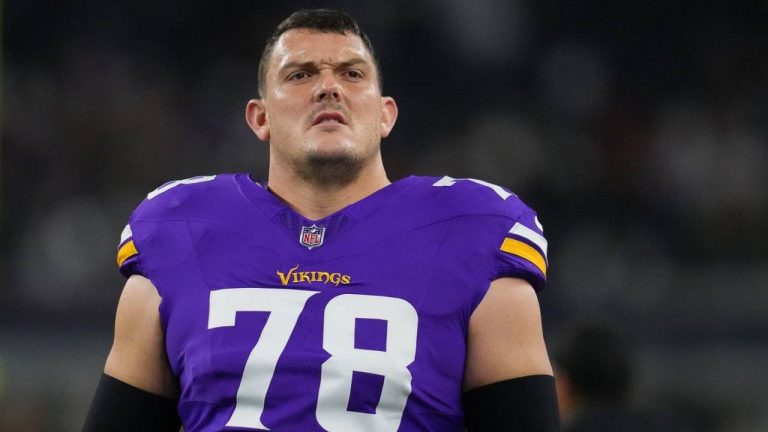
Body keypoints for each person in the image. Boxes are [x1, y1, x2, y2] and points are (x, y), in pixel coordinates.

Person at [83, 9, 559, 432]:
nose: (329, 87)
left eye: (352, 73)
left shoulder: (472, 228)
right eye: (300, 74)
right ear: (260, 118)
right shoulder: (181, 228)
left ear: (385, 115)